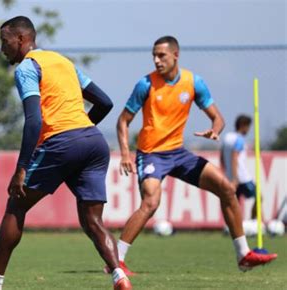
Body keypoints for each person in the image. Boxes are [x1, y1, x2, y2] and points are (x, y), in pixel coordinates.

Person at [0, 16, 131, 290]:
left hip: (63, 142)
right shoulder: (63, 61)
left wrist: (21, 168)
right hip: (94, 142)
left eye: (4, 42)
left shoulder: (27, 68)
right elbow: (105, 102)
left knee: (16, 205)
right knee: (93, 220)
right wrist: (81, 132)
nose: (2, 49)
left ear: (21, 39)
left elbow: (34, 121)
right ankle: (120, 278)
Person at [113, 36, 277, 275]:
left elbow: (217, 118)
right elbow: (123, 121)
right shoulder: (145, 84)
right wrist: (126, 153)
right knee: (151, 202)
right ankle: (116, 259)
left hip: (178, 154)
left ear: (175, 55)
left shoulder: (194, 82)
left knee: (227, 188)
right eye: (154, 56)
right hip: (151, 155)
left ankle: (243, 255)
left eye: (162, 55)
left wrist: (215, 130)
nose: (156, 61)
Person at [221, 115, 258, 219]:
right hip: (241, 177)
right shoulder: (239, 139)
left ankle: (235, 227)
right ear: (243, 125)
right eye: (248, 127)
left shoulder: (227, 137)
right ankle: (254, 221)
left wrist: (227, 173)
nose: (248, 130)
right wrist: (235, 177)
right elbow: (234, 157)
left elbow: (222, 157)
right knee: (259, 198)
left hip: (230, 177)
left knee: (234, 205)